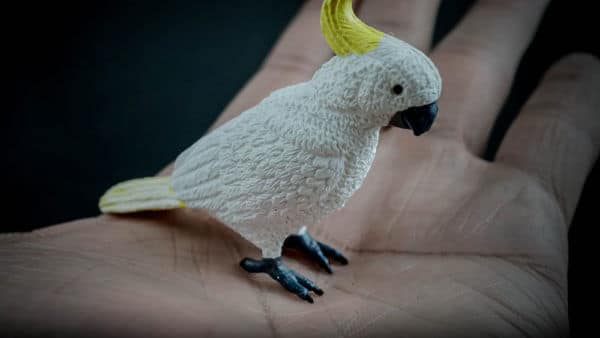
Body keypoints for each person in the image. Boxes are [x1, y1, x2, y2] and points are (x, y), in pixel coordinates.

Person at [1, 0, 597, 336]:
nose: (419, 114)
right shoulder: (310, 136)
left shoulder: (352, 132)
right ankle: (270, 256)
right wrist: (272, 241)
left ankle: (293, 235)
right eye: (398, 90)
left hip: (290, 204)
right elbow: (243, 183)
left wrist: (299, 223)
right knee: (284, 214)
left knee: (304, 204)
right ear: (366, 84)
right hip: (215, 195)